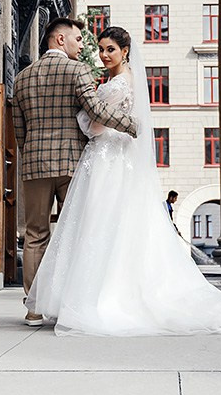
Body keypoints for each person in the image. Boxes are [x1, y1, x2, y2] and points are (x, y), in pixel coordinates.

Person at [25, 26, 221, 336]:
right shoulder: (128, 82)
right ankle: (116, 292)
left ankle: (92, 298)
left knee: (94, 227)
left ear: (125, 51)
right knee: (117, 228)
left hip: (106, 160)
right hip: (120, 161)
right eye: (101, 49)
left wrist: (81, 118)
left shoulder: (114, 86)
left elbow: (95, 126)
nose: (103, 55)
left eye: (109, 49)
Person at [12, 17, 138, 327]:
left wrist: (31, 153)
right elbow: (95, 111)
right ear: (59, 40)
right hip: (71, 164)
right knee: (75, 233)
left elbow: (19, 129)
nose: (82, 46)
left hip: (35, 166)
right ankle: (70, 303)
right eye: (77, 39)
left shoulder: (22, 77)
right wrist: (132, 126)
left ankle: (34, 308)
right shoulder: (77, 70)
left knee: (35, 235)